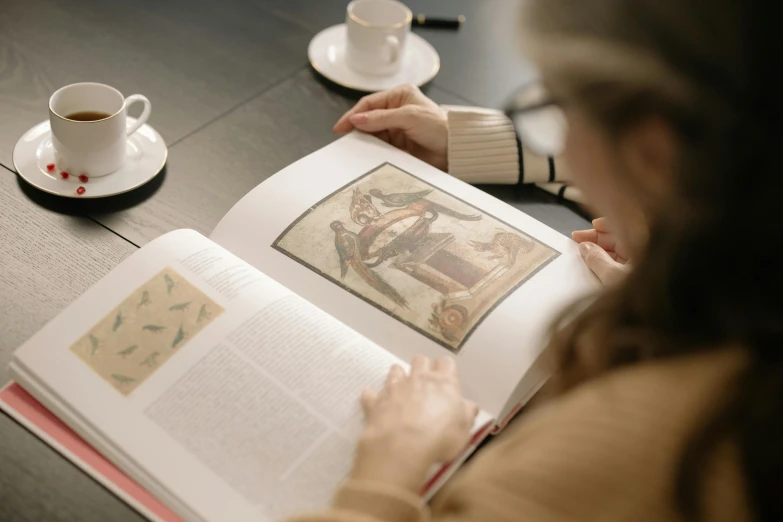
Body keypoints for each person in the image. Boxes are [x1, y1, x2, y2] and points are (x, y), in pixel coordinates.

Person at [288, 0, 781, 520]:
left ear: (653, 155)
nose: (561, 133)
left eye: (558, 104)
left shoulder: (575, 472)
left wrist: (382, 480)